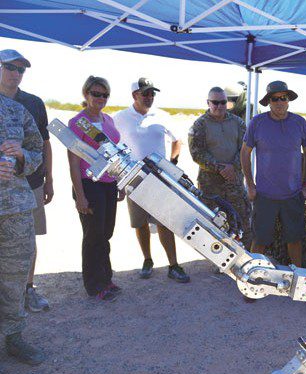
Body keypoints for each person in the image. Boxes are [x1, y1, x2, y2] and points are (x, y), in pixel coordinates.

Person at [112, 78, 189, 283]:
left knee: (164, 221)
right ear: (134, 96)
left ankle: (173, 265)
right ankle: (147, 260)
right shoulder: (119, 117)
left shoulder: (162, 116)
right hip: (133, 176)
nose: (149, 97)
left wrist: (172, 162)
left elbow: (176, 140)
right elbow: (111, 143)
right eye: (145, 93)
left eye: (152, 93)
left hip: (159, 177)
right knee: (140, 223)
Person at [0, 53, 45, 365]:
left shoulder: (19, 111)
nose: (15, 74)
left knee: (15, 276)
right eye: (9, 68)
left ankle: (13, 338)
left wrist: (20, 160)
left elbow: (37, 151)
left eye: (20, 70)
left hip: (15, 208)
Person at [241, 80, 306, 268]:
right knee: (260, 240)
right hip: (265, 195)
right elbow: (244, 153)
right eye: (275, 99)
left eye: (284, 97)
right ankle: (252, 278)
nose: (280, 102)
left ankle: (298, 276)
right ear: (269, 101)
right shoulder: (257, 123)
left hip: (293, 195)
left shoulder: (300, 122)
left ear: (288, 99)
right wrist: (250, 184)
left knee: (295, 239)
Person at [68, 76, 125, 302]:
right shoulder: (78, 122)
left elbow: (116, 155)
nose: (100, 98)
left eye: (104, 95)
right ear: (86, 95)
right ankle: (94, 285)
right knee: (93, 235)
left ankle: (106, 277)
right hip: (89, 184)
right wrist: (80, 196)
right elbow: (73, 161)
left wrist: (120, 182)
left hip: (109, 184)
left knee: (106, 233)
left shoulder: (108, 120)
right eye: (95, 94)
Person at [189, 86, 251, 248]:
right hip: (211, 186)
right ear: (208, 103)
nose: (219, 106)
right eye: (215, 102)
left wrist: (233, 167)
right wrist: (220, 168)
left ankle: (245, 256)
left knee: (242, 220)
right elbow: (197, 153)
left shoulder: (238, 123)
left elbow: (245, 149)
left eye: (223, 102)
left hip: (234, 183)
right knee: (213, 223)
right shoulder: (200, 125)